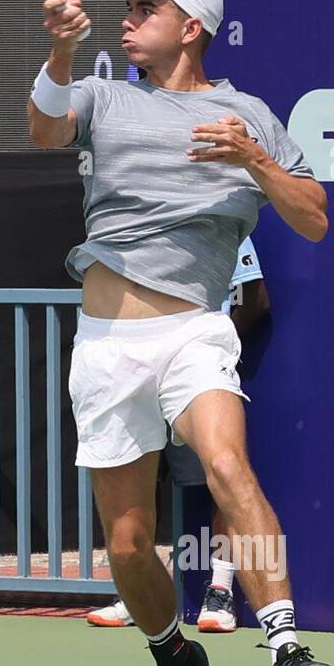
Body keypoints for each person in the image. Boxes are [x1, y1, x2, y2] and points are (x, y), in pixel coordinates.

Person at [27, 0, 334, 666]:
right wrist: (61, 55)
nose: (126, 20)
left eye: (145, 8)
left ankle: (286, 651)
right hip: (106, 344)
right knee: (129, 546)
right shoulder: (104, 96)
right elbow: (45, 130)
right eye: (123, 9)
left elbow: (312, 220)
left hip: (195, 331)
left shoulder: (249, 116)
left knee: (230, 465)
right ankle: (175, 658)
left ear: (191, 24)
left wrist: (254, 162)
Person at [86, 236, 266, 633]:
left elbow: (255, 297)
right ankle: (138, 594)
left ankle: (220, 593)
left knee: (221, 478)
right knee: (142, 477)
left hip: (197, 371)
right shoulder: (133, 223)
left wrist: (215, 350)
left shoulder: (222, 221)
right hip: (138, 372)